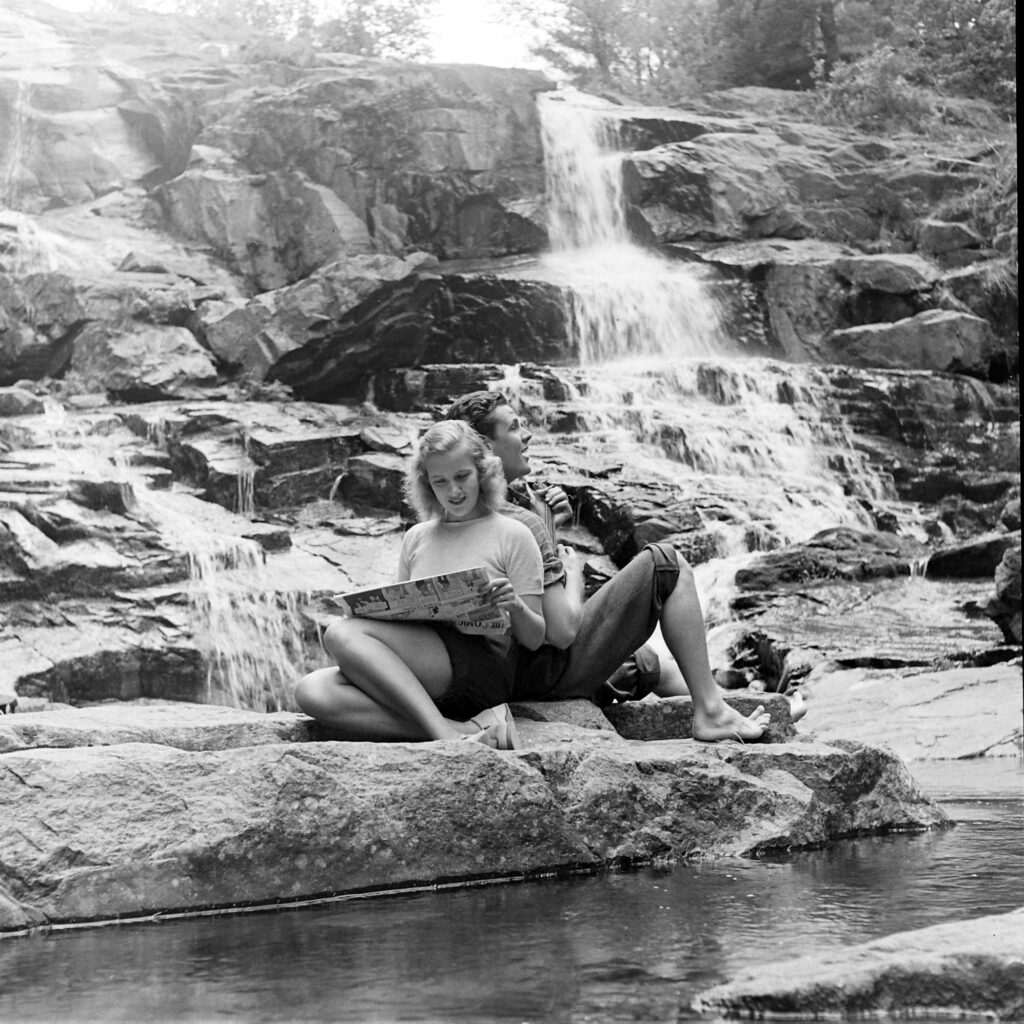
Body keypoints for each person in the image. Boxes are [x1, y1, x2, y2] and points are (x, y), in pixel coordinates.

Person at [443, 391, 771, 742]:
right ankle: (712, 712)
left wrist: (547, 528)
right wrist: (573, 574)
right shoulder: (520, 520)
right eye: (514, 427)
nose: (528, 435)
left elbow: (528, 596)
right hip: (537, 674)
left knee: (643, 660)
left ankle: (736, 707)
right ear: (485, 450)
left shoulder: (449, 519)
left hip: (494, 677)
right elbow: (561, 632)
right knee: (667, 564)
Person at [294, 420, 546, 750]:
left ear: (482, 472)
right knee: (312, 691)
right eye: (440, 481)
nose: (453, 491)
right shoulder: (417, 537)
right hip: (428, 668)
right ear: (427, 484)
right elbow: (403, 618)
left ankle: (445, 738)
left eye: (462, 477)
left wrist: (514, 605)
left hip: (482, 668)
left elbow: (536, 638)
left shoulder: (513, 534)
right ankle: (461, 729)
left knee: (341, 633)